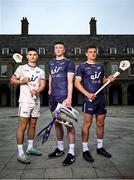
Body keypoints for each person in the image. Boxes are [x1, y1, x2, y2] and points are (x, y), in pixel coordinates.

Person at [75, 45, 115, 162]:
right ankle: (85, 150)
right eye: (90, 52)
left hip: (100, 98)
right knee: (87, 124)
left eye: (94, 52)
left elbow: (102, 80)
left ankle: (100, 147)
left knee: (101, 123)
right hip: (89, 99)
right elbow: (77, 83)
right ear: (86, 54)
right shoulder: (82, 67)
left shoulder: (100, 66)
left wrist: (109, 79)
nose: (93, 53)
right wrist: (87, 94)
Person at [10, 48, 46, 164]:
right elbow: (12, 80)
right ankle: (21, 153)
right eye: (30, 54)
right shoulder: (21, 68)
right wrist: (22, 81)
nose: (32, 56)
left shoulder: (41, 71)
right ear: (27, 56)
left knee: (33, 124)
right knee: (22, 126)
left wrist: (37, 90)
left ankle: (30, 148)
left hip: (36, 101)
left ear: (37, 56)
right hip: (25, 101)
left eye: (34, 54)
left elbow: (43, 85)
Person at [48, 42, 76, 166]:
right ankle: (60, 149)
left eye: (60, 48)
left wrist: (69, 98)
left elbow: (70, 82)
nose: (58, 49)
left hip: (64, 97)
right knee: (57, 123)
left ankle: (71, 153)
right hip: (53, 98)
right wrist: (49, 89)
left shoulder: (68, 62)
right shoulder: (51, 63)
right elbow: (50, 77)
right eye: (56, 48)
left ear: (64, 50)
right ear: (54, 50)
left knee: (69, 124)